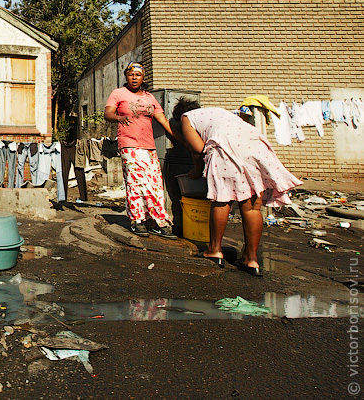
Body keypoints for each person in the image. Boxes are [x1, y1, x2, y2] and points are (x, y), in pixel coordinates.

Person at [171, 98, 303, 276]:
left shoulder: (186, 117)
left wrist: (197, 170)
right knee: (252, 206)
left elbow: (197, 148)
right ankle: (251, 259)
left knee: (222, 199)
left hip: (226, 147)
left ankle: (214, 250)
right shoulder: (219, 112)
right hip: (254, 144)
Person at [104, 62, 177, 239]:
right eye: (131, 74)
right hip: (129, 143)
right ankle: (137, 220)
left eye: (138, 75)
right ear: (126, 76)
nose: (134, 78)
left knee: (154, 184)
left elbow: (162, 120)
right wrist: (119, 118)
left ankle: (157, 221)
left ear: (143, 77)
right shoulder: (118, 93)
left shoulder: (150, 98)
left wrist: (179, 138)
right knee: (136, 182)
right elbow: (108, 113)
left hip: (148, 145)